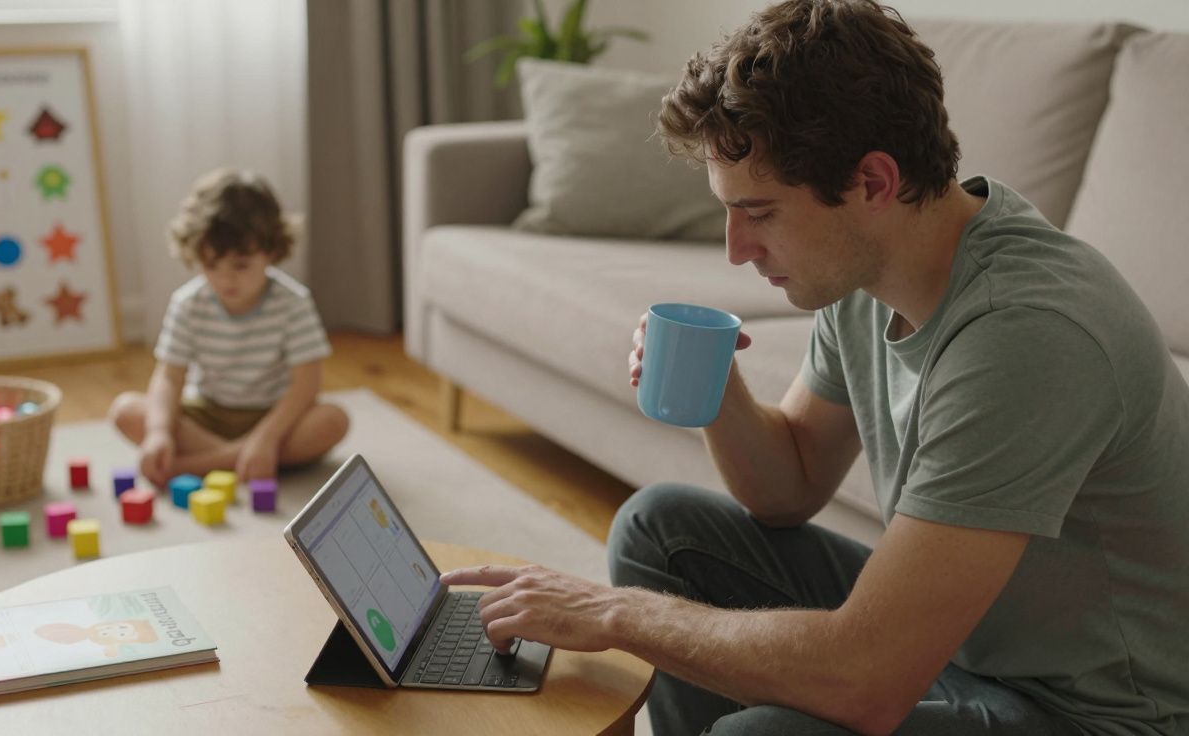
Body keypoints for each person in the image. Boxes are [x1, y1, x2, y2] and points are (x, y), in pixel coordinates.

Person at [440, 1, 1189, 734]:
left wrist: (615, 614)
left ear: (872, 183)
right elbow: (789, 486)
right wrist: (718, 392)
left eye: (759, 213)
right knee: (663, 531)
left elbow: (867, 680)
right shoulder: (874, 266)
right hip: (964, 646)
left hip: (1095, 712)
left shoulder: (1027, 336)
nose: (735, 249)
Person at [109, 169, 349, 486]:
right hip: (206, 416)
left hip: (272, 417)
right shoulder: (188, 303)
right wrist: (158, 433)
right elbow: (169, 376)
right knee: (125, 410)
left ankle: (200, 465)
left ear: (272, 250)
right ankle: (243, 460)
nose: (225, 279)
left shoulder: (293, 303)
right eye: (211, 265)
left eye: (240, 265)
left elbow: (306, 386)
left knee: (332, 421)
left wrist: (265, 438)